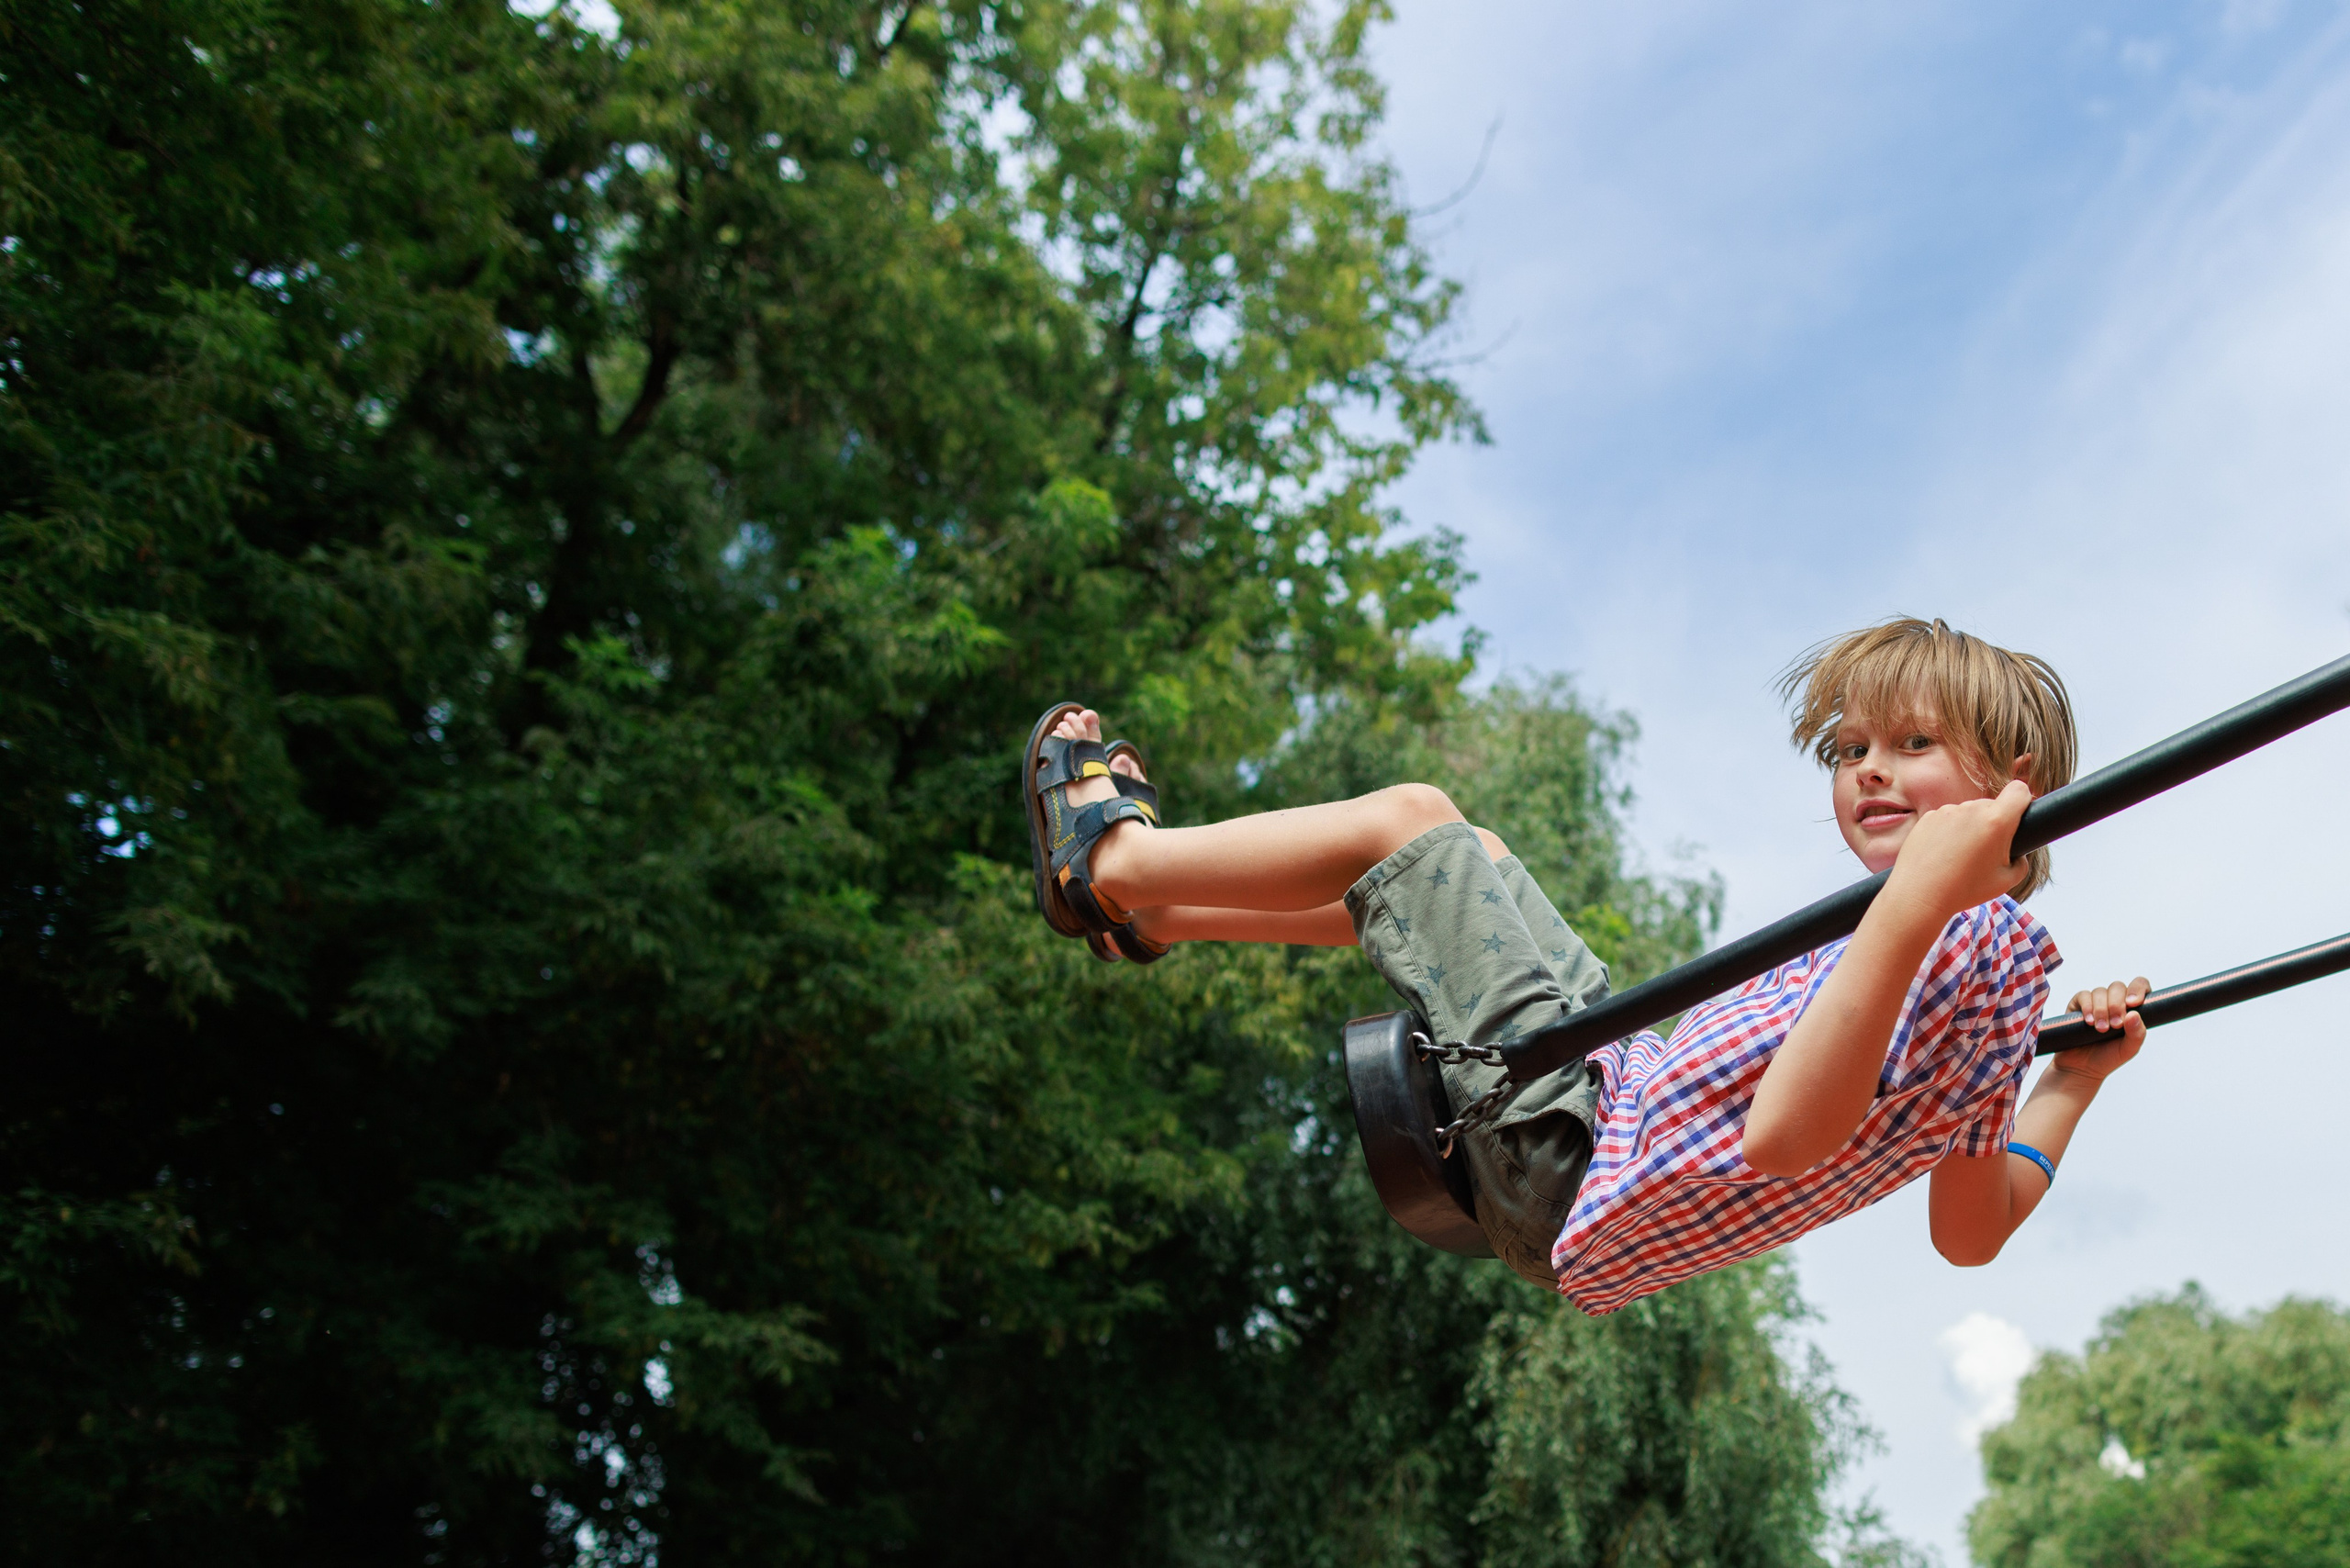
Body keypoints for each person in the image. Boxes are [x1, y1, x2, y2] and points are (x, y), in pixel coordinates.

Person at [1021, 618, 2149, 1307]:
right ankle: (1164, 913)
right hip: (1605, 1096)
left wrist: (1904, 910)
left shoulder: (1953, 939)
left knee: (1413, 821)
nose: (1865, 772)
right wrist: (2068, 1083)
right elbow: (1970, 1228)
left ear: (2016, 780)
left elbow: (1786, 1140)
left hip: (1578, 1159)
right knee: (1468, 859)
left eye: (1911, 744)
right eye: (1849, 749)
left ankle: (1115, 860)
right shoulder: (2000, 987)